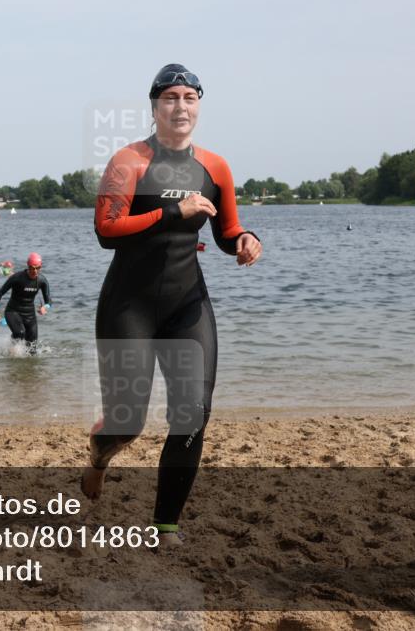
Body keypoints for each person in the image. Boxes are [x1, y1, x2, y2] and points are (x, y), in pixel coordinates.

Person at [83, 64, 263, 545]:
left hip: (188, 305)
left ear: (199, 106)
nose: (180, 106)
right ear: (155, 106)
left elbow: (225, 230)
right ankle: (99, 457)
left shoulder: (215, 167)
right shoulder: (128, 162)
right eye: (170, 98)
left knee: (193, 413)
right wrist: (171, 211)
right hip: (129, 305)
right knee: (127, 424)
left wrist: (245, 238)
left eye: (189, 97)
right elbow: (106, 231)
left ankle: (165, 524)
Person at [0, 252, 50, 348]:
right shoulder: (17, 278)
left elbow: (48, 301)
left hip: (30, 315)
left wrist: (45, 307)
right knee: (20, 333)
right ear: (28, 266)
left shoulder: (42, 280)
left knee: (32, 347)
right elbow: (0, 292)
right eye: (32, 268)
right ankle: (10, 348)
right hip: (13, 311)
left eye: (38, 268)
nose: (35, 271)